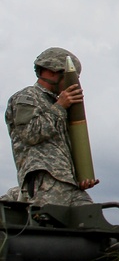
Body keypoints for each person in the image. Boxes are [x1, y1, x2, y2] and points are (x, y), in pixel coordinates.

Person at [4, 47, 99, 205]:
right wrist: (60, 107)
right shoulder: (27, 96)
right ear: (52, 72)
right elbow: (30, 133)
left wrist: (80, 176)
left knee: (92, 221)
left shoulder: (55, 103)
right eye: (70, 77)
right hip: (44, 181)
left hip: (68, 183)